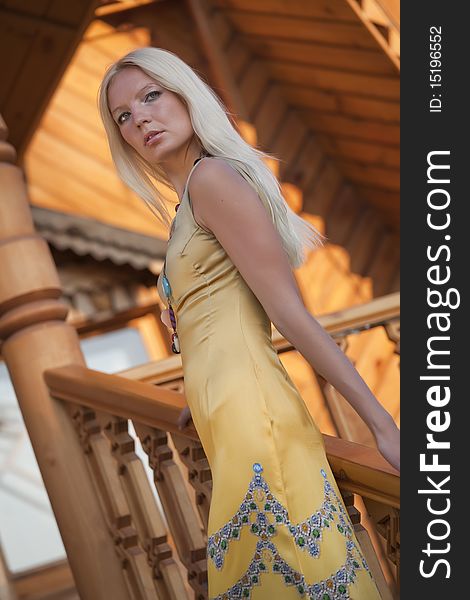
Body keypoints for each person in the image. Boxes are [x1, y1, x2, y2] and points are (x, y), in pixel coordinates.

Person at [99, 47, 399, 600]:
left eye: (150, 96)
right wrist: (201, 390)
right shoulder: (188, 201)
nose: (139, 118)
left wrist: (381, 427)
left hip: (255, 418)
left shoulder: (213, 178)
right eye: (123, 115)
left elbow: (290, 314)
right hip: (229, 418)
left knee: (291, 579)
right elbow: (213, 318)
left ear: (185, 93)